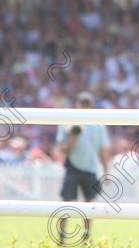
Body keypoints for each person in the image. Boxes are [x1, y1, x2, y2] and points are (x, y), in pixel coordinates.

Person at [55, 91, 110, 245]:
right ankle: (61, 237)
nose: (85, 106)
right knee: (67, 202)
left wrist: (106, 171)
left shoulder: (98, 125)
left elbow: (103, 149)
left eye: (87, 103)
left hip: (90, 168)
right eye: (82, 103)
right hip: (72, 166)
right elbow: (61, 149)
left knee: (89, 204)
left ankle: (86, 237)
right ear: (77, 104)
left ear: (91, 105)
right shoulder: (68, 122)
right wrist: (72, 142)